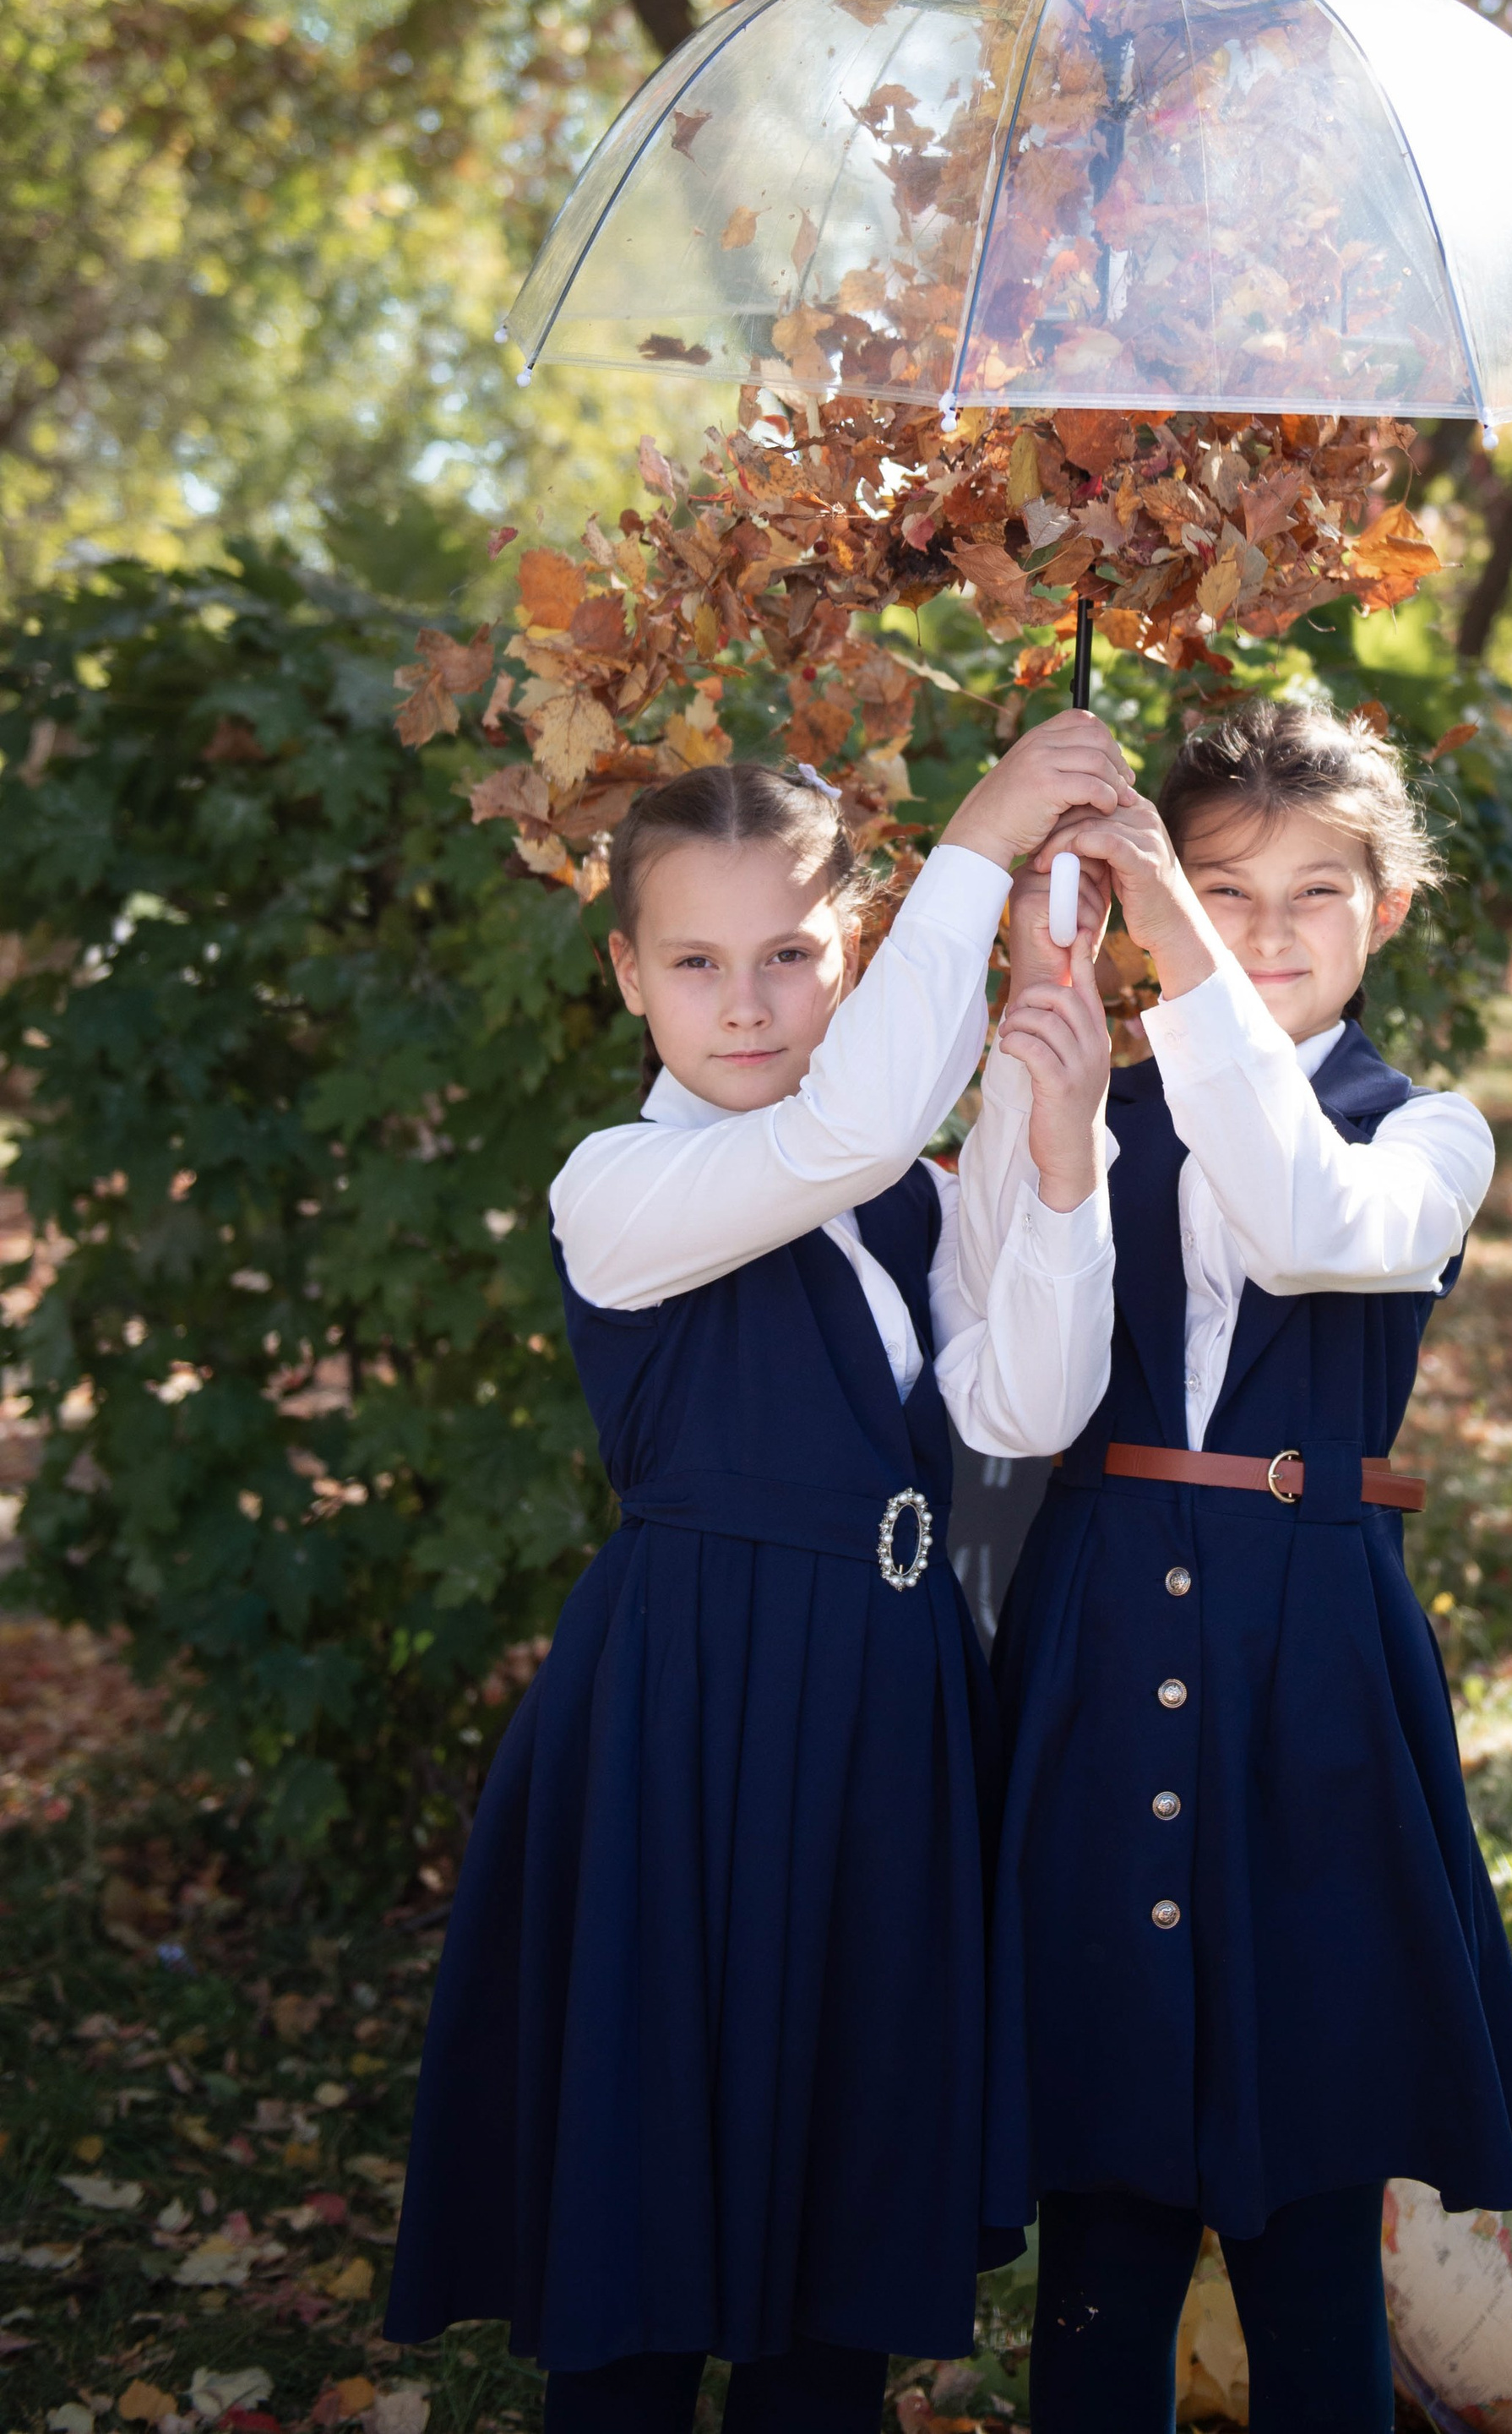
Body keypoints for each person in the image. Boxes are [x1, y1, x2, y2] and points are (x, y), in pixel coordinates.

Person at [384, 716, 1125, 2434]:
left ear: (850, 958)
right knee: (643, 2206)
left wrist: (1046, 1105)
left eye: (791, 957)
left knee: (834, 2220)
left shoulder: (901, 1202)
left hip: (881, 1716)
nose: (745, 1003)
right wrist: (991, 822)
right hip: (685, 1711)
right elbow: (836, 1137)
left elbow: (1025, 1403)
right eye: (699, 961)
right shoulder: (624, 1187)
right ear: (629, 977)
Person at [962, 697, 1512, 2434]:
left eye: (1316, 891)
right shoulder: (1095, 1086)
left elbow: (1311, 1225)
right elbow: (1004, 1364)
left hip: (1313, 1674)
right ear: (1155, 910)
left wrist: (1174, 947)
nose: (1271, 930)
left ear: (1385, 912)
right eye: (1221, 889)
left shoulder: (1424, 1133)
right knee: (1105, 2214)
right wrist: (1040, 1092)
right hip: (1095, 1641)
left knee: (1307, 2206)